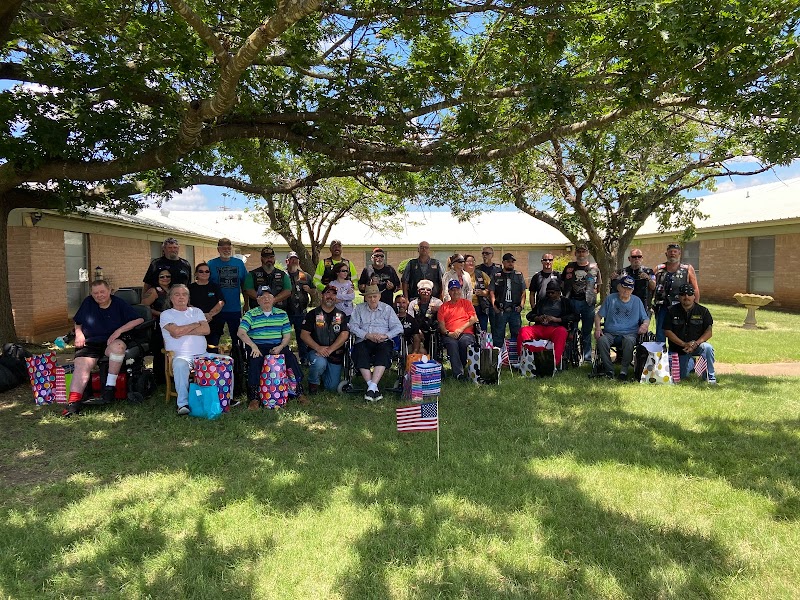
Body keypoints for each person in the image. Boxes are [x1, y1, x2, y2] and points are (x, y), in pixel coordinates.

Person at [64, 280, 144, 416]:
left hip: (111, 341)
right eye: (95, 293)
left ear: (109, 291)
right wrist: (79, 334)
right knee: (81, 366)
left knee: (118, 348)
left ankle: (109, 388)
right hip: (91, 342)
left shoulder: (118, 303)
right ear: (91, 294)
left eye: (102, 292)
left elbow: (139, 320)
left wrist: (118, 331)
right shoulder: (88, 302)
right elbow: (78, 322)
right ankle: (73, 404)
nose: (99, 295)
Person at [238, 286, 307, 409]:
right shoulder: (251, 314)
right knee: (255, 361)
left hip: (277, 345)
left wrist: (280, 347)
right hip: (257, 346)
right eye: (262, 297)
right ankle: (254, 398)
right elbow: (241, 332)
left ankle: (298, 392)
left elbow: (286, 336)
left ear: (274, 299)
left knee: (291, 359)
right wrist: (253, 346)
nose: (266, 299)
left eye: (269, 296)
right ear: (258, 300)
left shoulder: (282, 314)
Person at [160, 284, 211, 415]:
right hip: (181, 356)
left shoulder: (197, 311)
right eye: (177, 294)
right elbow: (176, 332)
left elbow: (206, 330)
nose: (181, 297)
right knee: (180, 364)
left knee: (226, 361)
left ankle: (225, 397)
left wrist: (183, 330)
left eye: (184, 294)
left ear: (188, 297)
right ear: (171, 298)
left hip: (203, 354)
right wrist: (195, 324)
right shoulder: (166, 314)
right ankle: (182, 404)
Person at [348, 284, 403, 401]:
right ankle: (373, 388)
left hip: (383, 340)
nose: (372, 299)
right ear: (365, 298)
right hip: (364, 339)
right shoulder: (359, 309)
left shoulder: (387, 309)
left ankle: (371, 387)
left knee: (384, 351)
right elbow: (352, 326)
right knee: (360, 350)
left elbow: (398, 328)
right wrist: (366, 335)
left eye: (374, 296)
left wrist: (385, 336)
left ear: (379, 296)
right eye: (369, 297)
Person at [594, 276, 650, 380]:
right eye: (624, 287)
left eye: (629, 288)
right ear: (619, 287)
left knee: (629, 341)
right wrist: (597, 328)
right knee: (602, 340)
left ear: (632, 290)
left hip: (630, 333)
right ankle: (609, 371)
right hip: (610, 333)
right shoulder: (610, 299)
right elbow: (598, 316)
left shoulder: (637, 301)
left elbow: (645, 318)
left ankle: (623, 371)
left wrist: (644, 325)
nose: (626, 290)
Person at [300, 284, 350, 393]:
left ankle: (323, 376)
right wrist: (318, 348)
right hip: (316, 351)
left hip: (335, 353)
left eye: (333, 294)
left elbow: (345, 334)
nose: (330, 296)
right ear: (322, 295)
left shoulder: (341, 315)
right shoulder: (312, 314)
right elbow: (304, 334)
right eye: (328, 293)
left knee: (331, 387)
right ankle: (313, 383)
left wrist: (330, 349)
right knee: (319, 363)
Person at [663, 283, 716, 384]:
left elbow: (709, 332)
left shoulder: (703, 311)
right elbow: (667, 332)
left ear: (694, 296)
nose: (686, 297)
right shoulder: (671, 311)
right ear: (679, 297)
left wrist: (696, 343)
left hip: (697, 346)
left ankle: (710, 377)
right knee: (681, 377)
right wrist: (683, 344)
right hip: (679, 348)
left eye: (689, 294)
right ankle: (692, 364)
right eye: (683, 294)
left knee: (708, 348)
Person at [521, 280, 577, 368]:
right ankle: (525, 358)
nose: (550, 295)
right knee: (524, 331)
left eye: (552, 292)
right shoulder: (543, 301)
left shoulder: (566, 302)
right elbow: (529, 315)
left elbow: (575, 316)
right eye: (548, 293)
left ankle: (555, 362)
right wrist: (538, 318)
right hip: (540, 327)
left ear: (559, 292)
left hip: (556, 327)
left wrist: (557, 319)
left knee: (561, 332)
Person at [561, 242, 602, 363]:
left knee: (587, 330)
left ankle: (587, 356)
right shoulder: (569, 267)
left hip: (587, 303)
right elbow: (562, 283)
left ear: (587, 253)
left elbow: (598, 287)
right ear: (575, 253)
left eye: (583, 251)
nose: (581, 254)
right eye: (579, 251)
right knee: (571, 330)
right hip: (571, 302)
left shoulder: (594, 268)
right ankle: (570, 355)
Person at [653, 243, 700, 343]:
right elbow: (650, 285)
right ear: (666, 254)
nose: (672, 254)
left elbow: (695, 288)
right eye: (670, 252)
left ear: (679, 253)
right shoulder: (659, 268)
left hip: (681, 307)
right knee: (660, 333)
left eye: (675, 252)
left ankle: (677, 356)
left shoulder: (687, 268)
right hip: (662, 307)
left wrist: (695, 307)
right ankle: (660, 356)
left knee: (679, 333)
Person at [207, 237, 248, 344]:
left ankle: (238, 358)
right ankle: (213, 358)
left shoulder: (239, 263)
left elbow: (245, 285)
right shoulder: (211, 264)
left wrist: (246, 304)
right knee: (214, 337)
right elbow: (207, 285)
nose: (226, 250)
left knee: (237, 338)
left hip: (234, 308)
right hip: (216, 308)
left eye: (229, 248)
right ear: (218, 249)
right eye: (223, 248)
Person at [438, 280, 478, 380]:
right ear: (449, 292)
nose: (456, 292)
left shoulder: (466, 303)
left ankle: (465, 366)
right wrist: (449, 333)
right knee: (452, 344)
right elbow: (442, 326)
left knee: (465, 342)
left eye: (457, 289)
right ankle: (458, 374)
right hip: (449, 334)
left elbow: (473, 319)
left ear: (461, 290)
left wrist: (461, 329)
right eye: (453, 290)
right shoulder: (443, 307)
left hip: (466, 333)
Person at [141, 269, 172, 385]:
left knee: (171, 350)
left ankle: (171, 374)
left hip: (173, 324)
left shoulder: (172, 290)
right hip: (159, 324)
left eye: (168, 276)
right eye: (162, 277)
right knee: (160, 352)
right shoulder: (153, 291)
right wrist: (160, 314)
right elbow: (144, 307)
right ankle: (160, 378)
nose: (165, 278)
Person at [490, 252, 527, 344]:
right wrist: (494, 306)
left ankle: (515, 355)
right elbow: (491, 291)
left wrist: (521, 306)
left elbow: (523, 292)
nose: (511, 263)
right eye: (508, 261)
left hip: (515, 310)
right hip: (501, 309)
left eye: (512, 262)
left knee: (517, 334)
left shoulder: (519, 275)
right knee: (498, 335)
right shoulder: (497, 276)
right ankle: (498, 356)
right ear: (503, 262)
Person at [285, 251, 313, 365]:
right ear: (287, 261)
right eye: (291, 259)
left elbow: (314, 291)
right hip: (285, 311)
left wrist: (309, 290)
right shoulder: (282, 275)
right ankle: (285, 357)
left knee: (302, 337)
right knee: (284, 336)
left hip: (301, 311)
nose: (294, 261)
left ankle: (304, 358)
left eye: (296, 259)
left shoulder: (304, 275)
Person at [188, 262, 224, 346]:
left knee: (213, 348)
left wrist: (210, 315)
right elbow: (187, 303)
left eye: (207, 271)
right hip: (196, 323)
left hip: (214, 322)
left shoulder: (215, 286)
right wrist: (201, 315)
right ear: (196, 273)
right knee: (197, 348)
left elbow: (221, 302)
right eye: (201, 271)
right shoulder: (190, 288)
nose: (204, 273)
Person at [243, 246, 290, 310]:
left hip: (278, 312)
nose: (269, 260)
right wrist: (263, 300)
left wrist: (274, 300)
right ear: (261, 259)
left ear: (274, 258)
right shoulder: (252, 274)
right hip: (257, 311)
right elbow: (248, 290)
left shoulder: (283, 274)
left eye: (271, 257)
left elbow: (287, 291)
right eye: (266, 257)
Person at [408, 279, 443, 354]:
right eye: (422, 289)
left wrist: (438, 309)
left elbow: (444, 316)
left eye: (428, 290)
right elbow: (411, 320)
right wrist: (418, 331)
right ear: (418, 291)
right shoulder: (413, 303)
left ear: (431, 292)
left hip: (433, 330)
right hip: (417, 331)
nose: (425, 291)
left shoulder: (438, 302)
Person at [476, 247, 501, 334]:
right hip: (482, 303)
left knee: (496, 327)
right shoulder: (478, 269)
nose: (485, 255)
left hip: (495, 301)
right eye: (483, 253)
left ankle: (496, 346)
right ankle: (483, 346)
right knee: (482, 328)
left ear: (492, 255)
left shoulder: (499, 269)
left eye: (487, 253)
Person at [465, 254, 492, 333]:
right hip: (465, 308)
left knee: (482, 331)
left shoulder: (481, 274)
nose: (471, 263)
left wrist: (484, 293)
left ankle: (482, 344)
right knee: (468, 331)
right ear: (464, 263)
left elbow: (491, 288)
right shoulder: (460, 275)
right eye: (469, 261)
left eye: (473, 261)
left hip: (480, 307)